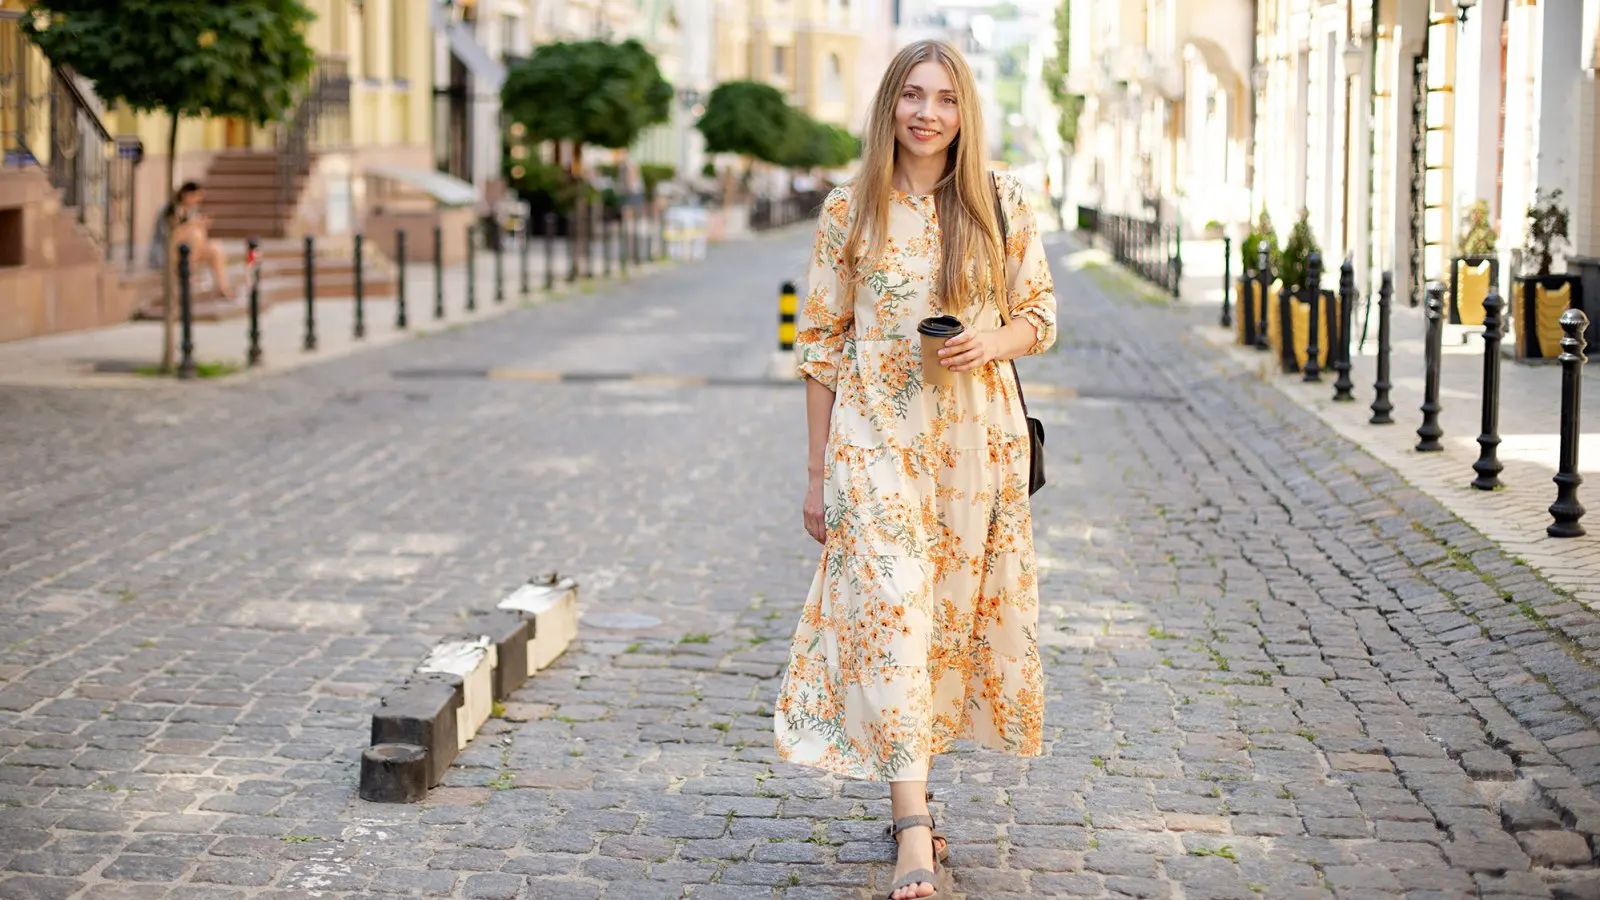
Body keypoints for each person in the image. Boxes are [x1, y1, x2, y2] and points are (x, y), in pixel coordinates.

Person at [773, 38, 1058, 900]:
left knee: (942, 628)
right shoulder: (847, 210)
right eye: (912, 96)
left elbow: (1040, 316)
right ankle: (911, 830)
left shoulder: (1001, 201)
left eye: (944, 98)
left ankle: (919, 788)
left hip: (976, 451)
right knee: (894, 612)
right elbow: (820, 350)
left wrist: (990, 341)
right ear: (889, 106)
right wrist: (819, 477)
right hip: (875, 442)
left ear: (965, 112)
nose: (926, 113)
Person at [148, 181, 234, 299]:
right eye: (195, 197)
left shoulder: (190, 212)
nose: (196, 201)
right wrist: (193, 224)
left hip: (189, 250)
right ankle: (188, 271)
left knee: (215, 247)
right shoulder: (170, 209)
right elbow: (170, 232)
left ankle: (222, 286)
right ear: (186, 194)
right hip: (168, 250)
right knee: (194, 233)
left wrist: (200, 225)